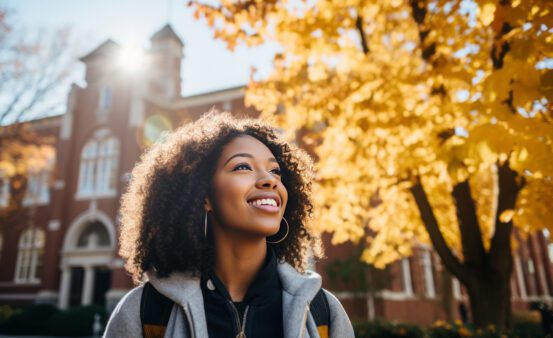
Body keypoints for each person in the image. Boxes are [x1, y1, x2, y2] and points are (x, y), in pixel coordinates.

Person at [103, 112, 354, 338]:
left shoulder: (324, 314)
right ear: (204, 196)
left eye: (275, 171)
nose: (269, 180)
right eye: (242, 167)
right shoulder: (145, 312)